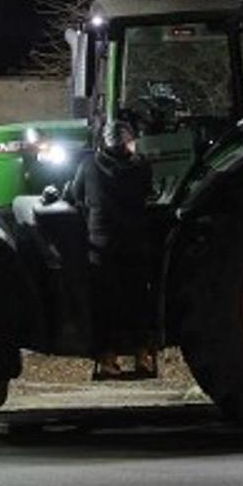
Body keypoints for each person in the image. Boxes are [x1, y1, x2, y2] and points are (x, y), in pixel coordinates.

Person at [74, 118, 156, 379]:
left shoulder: (88, 165)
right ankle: (143, 356)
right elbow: (147, 192)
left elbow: (76, 196)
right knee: (138, 300)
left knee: (103, 302)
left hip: (101, 244)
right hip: (134, 241)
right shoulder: (141, 166)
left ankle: (107, 359)